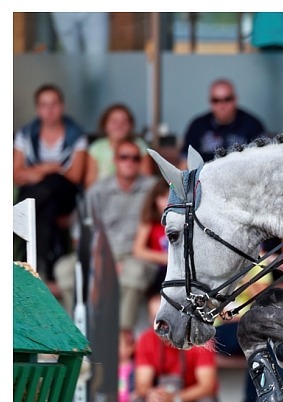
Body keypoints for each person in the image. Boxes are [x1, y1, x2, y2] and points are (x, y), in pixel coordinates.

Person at [54, 137, 159, 336]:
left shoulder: (153, 188)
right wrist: (98, 259)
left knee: (134, 273)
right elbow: (79, 230)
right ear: (115, 161)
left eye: (135, 158)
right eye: (124, 157)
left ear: (140, 162)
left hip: (136, 256)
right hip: (98, 254)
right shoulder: (97, 190)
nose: (129, 162)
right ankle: (75, 331)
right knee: (64, 269)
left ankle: (122, 335)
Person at [125, 294, 221, 402]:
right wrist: (153, 395)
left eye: (166, 319)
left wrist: (176, 398)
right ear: (149, 319)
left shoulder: (198, 338)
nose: (162, 326)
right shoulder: (146, 339)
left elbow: (207, 386)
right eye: (157, 320)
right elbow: (142, 384)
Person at [13, 84, 88, 284]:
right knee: (46, 206)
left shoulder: (76, 134)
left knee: (53, 184)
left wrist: (36, 173)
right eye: (44, 105)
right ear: (38, 108)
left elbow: (74, 176)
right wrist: (48, 168)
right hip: (45, 199)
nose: (49, 110)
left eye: (54, 104)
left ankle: (32, 262)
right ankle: (45, 269)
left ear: (62, 106)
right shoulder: (26, 134)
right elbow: (15, 174)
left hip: (65, 194)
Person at [180, 79, 266, 166]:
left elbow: (261, 161)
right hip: (204, 177)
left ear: (235, 99)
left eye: (227, 99)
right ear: (210, 102)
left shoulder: (252, 125)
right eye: (216, 100)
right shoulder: (197, 126)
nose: (222, 106)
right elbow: (185, 163)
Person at [85, 103, 153, 188]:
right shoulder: (96, 148)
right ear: (105, 125)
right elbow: (90, 183)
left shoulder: (140, 146)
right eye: (114, 121)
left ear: (131, 125)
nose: (119, 125)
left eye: (124, 122)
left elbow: (146, 179)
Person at [131, 177, 171, 293]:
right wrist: (165, 258)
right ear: (154, 200)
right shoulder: (150, 222)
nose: (167, 201)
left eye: (170, 197)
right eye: (162, 197)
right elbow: (138, 250)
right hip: (158, 273)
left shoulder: (183, 221)